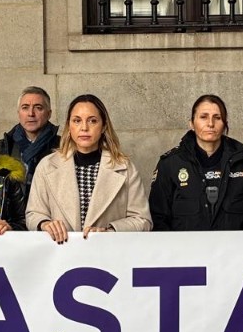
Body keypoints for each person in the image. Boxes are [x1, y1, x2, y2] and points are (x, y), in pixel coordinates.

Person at [26, 94, 151, 241]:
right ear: (69, 126)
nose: (84, 128)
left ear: (103, 126)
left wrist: (109, 231)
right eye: (77, 121)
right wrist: (45, 224)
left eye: (92, 121)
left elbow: (142, 220)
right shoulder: (47, 166)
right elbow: (33, 214)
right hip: (60, 256)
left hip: (108, 256)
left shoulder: (125, 167)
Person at [150, 94, 243, 231]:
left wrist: (240, 249)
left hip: (235, 250)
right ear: (191, 123)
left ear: (225, 123)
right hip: (185, 251)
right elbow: (158, 219)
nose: (210, 124)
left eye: (217, 118)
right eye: (203, 117)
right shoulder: (171, 164)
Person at [0, 86, 60, 199]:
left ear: (49, 114)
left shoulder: (62, 147)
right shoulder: (2, 147)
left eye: (38, 108)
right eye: (25, 107)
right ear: (18, 113)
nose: (31, 113)